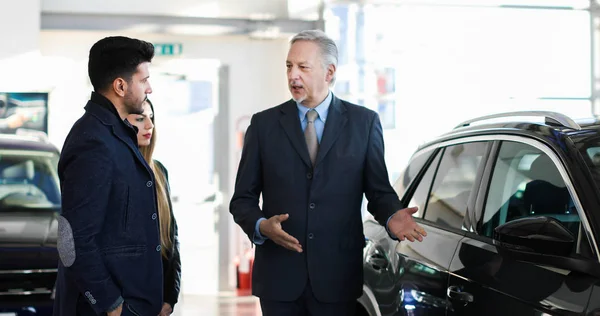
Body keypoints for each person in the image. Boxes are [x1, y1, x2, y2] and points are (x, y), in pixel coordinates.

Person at [229, 29, 427, 316]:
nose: (293, 75)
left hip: (337, 277)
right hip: (279, 280)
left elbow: (378, 191)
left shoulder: (364, 123)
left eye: (303, 67)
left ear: (329, 72)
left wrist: (392, 215)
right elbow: (242, 200)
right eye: (289, 66)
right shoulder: (263, 126)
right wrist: (261, 226)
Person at [53, 36, 162, 316]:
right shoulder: (93, 141)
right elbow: (72, 239)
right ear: (121, 86)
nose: (149, 88)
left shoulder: (117, 135)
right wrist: (110, 304)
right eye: (144, 80)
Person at [126, 99, 181, 316]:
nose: (149, 125)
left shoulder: (159, 171)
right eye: (140, 119)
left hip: (157, 299)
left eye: (151, 118)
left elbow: (171, 237)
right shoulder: (115, 172)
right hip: (128, 299)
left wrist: (171, 296)